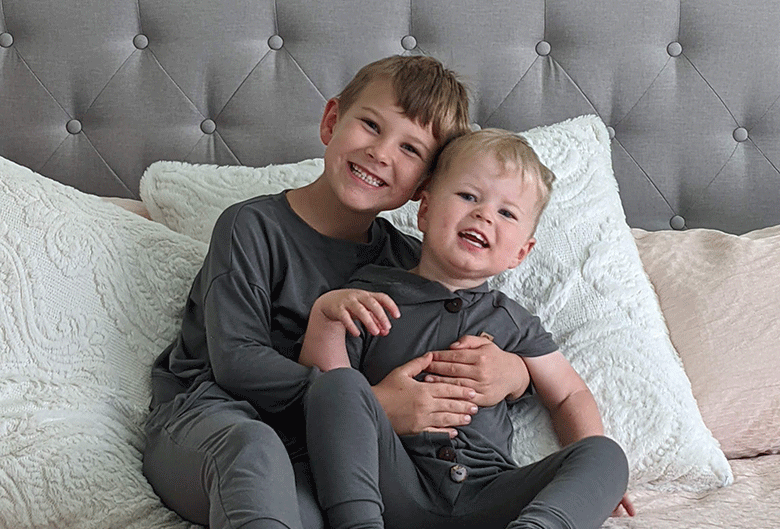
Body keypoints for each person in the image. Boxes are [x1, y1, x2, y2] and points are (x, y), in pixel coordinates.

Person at [142, 55, 535, 529]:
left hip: (317, 448)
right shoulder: (252, 227)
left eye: (410, 150)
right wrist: (373, 403)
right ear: (332, 121)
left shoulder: (409, 262)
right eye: (371, 125)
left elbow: (473, 331)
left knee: (311, 514)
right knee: (255, 454)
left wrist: (516, 374)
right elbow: (237, 360)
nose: (381, 153)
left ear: (423, 188)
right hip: (208, 421)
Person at [299, 129, 634, 529]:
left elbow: (569, 394)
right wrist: (328, 320)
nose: (484, 215)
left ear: (521, 253)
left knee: (605, 454)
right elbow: (328, 396)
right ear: (423, 211)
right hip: (394, 484)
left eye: (507, 213)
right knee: (334, 388)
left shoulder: (511, 321)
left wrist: (591, 476)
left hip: (488, 492)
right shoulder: (371, 295)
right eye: (468, 196)